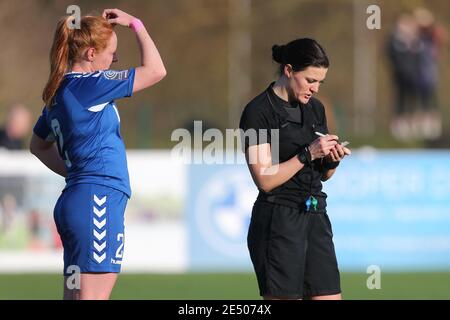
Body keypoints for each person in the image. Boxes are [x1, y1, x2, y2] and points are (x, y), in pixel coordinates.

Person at [29, 9, 166, 300]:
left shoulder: (60, 91)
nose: (114, 59)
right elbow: (156, 70)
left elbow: (37, 145)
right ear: (91, 53)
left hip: (81, 198)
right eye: (112, 52)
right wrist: (136, 24)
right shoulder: (88, 85)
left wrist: (78, 173)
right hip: (97, 202)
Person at [239, 38, 351, 300]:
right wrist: (309, 152)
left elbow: (324, 175)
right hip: (278, 220)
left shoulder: (316, 109)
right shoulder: (258, 112)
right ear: (288, 70)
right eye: (311, 80)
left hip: (315, 215)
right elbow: (264, 180)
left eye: (320, 82)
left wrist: (331, 158)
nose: (315, 88)